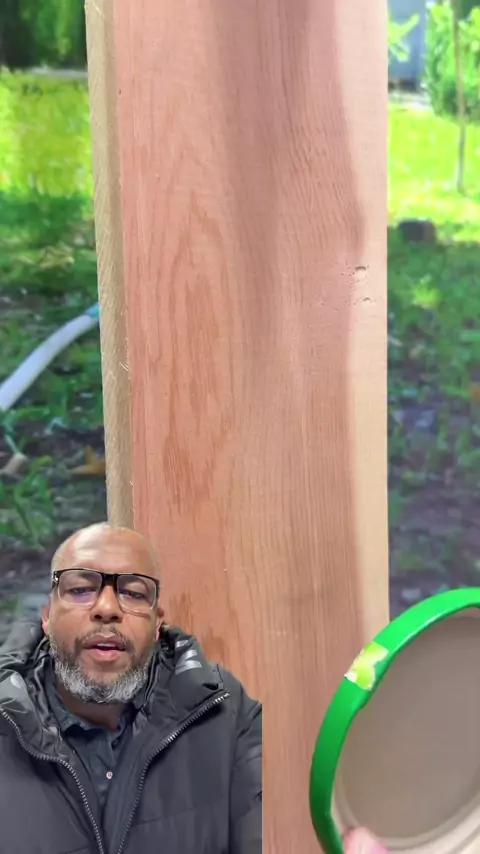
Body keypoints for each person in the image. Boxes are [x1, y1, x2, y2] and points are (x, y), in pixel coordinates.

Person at [0, 522, 261, 854]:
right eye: (81, 589)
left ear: (157, 623)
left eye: (134, 594)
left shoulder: (227, 715)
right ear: (47, 616)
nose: (107, 609)